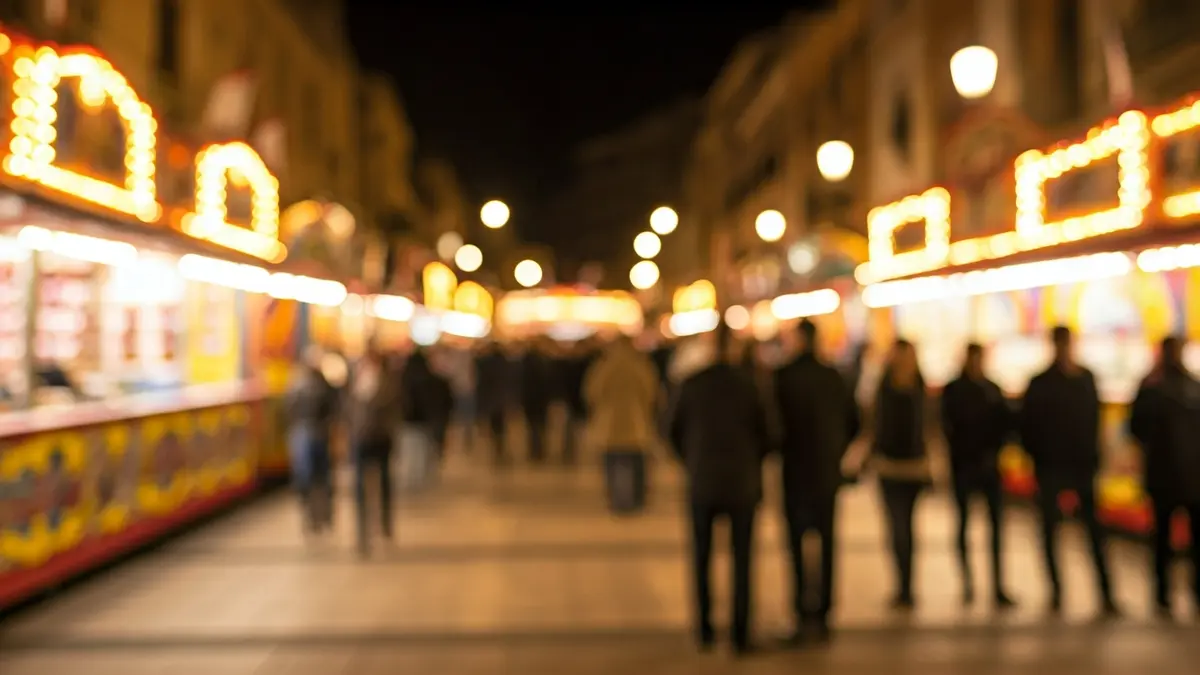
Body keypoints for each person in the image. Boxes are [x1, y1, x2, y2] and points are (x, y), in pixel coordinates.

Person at [669, 324, 771, 656]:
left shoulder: (693, 384)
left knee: (701, 557)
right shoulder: (750, 385)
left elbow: (670, 430)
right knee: (743, 561)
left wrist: (691, 459)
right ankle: (740, 632)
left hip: (703, 482)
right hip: (742, 482)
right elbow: (771, 433)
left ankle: (705, 629)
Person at [1020, 325, 1118, 616]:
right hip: (1051, 466)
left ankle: (1105, 593)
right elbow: (1029, 426)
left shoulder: (1084, 379)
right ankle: (1057, 592)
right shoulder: (1041, 383)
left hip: (1081, 465)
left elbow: (1094, 420)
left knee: (1094, 532)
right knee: (1050, 531)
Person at [773, 319, 860, 643]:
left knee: (796, 546)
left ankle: (800, 612)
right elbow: (854, 420)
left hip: (794, 471)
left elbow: (772, 425)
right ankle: (824, 613)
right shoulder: (833, 376)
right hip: (826, 471)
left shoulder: (783, 377)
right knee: (827, 543)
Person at [940, 343, 1016, 608]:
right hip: (964, 467)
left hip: (987, 467)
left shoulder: (991, 389)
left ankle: (997, 584)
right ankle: (968, 583)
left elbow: (1006, 424)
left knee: (994, 529)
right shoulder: (956, 391)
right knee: (963, 526)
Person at [1129, 335, 1200, 617]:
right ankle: (1186, 593)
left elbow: (1137, 429)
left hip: (1167, 477)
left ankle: (1163, 596)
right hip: (1188, 477)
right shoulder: (1191, 387)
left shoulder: (1152, 387)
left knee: (1163, 540)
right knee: (1187, 540)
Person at [871, 339, 930, 610]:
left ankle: (907, 586)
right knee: (899, 528)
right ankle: (904, 585)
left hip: (910, 467)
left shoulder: (916, 388)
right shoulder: (888, 388)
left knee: (904, 527)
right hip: (892, 467)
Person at [585, 333, 659, 511]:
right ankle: (636, 500)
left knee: (612, 463)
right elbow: (652, 392)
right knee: (636, 463)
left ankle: (616, 500)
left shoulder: (604, 366)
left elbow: (592, 392)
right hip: (636, 422)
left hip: (609, 423)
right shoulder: (640, 365)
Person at [346, 348, 400, 556]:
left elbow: (395, 410)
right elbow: (347, 411)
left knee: (384, 483)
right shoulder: (354, 384)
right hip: (360, 440)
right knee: (359, 487)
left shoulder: (387, 384)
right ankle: (362, 531)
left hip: (380, 440)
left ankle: (385, 524)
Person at [283, 347, 338, 534]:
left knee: (317, 475)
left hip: (313, 433)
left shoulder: (309, 385)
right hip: (309, 433)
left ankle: (321, 514)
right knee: (311, 476)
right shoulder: (301, 385)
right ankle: (316, 514)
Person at [399, 348, 453, 489]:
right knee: (424, 450)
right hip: (426, 421)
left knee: (411, 451)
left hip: (409, 421)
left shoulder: (403, 380)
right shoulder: (434, 379)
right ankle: (422, 477)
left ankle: (414, 477)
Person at [475, 340, 514, 465]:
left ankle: (498, 450)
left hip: (493, 400)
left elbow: (482, 384)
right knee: (500, 427)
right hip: (501, 400)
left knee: (495, 426)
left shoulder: (486, 364)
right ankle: (499, 449)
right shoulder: (506, 364)